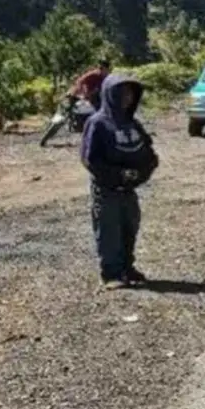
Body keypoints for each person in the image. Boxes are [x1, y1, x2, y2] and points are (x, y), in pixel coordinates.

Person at [80, 73, 159, 290]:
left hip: (129, 190)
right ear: (110, 94)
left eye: (130, 93)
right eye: (121, 92)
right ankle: (111, 273)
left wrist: (140, 173)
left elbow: (149, 153)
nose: (127, 97)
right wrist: (117, 175)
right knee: (108, 230)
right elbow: (90, 159)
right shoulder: (97, 123)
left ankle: (127, 267)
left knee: (129, 227)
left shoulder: (132, 123)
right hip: (106, 190)